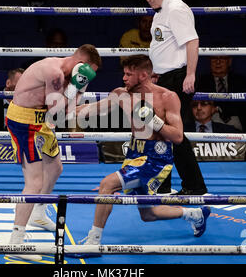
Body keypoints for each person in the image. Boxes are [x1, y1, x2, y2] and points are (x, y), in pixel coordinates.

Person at [74, 55, 210, 251]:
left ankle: (93, 241)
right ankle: (195, 214)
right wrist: (65, 109)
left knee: (107, 185)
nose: (124, 78)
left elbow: (178, 136)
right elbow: (92, 109)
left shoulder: (167, 97)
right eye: (124, 73)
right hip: (134, 155)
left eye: (129, 74)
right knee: (148, 214)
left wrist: (153, 121)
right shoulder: (121, 94)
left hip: (156, 158)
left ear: (144, 75)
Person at [6, 44, 101, 260]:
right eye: (88, 71)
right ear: (80, 64)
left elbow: (65, 112)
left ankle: (38, 212)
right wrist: (76, 88)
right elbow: (58, 112)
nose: (88, 76)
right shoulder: (54, 72)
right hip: (24, 121)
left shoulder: (69, 76)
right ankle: (16, 241)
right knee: (34, 182)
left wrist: (80, 88)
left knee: (56, 168)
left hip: (42, 121)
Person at [141, 0, 207, 195]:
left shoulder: (175, 9)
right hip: (164, 78)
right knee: (161, 132)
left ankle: (195, 186)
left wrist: (190, 74)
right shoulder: (161, 11)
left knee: (172, 133)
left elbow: (192, 40)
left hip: (177, 78)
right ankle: (164, 185)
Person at [196, 55, 246, 131]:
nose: (218, 62)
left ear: (229, 61)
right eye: (214, 58)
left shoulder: (241, 82)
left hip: (236, 121)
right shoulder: (201, 82)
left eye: (222, 58)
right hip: (210, 121)